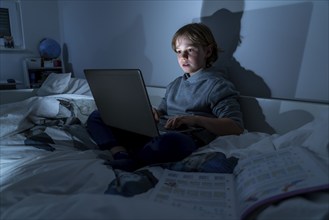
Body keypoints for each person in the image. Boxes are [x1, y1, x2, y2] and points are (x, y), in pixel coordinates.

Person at [87, 23, 244, 171]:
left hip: (184, 136)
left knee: (173, 143)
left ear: (208, 52)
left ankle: (135, 159)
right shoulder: (175, 84)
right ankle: (119, 151)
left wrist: (195, 119)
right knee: (99, 115)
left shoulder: (217, 85)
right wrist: (154, 113)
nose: (183, 56)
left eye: (190, 50)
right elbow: (162, 111)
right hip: (156, 132)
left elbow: (235, 127)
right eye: (178, 51)